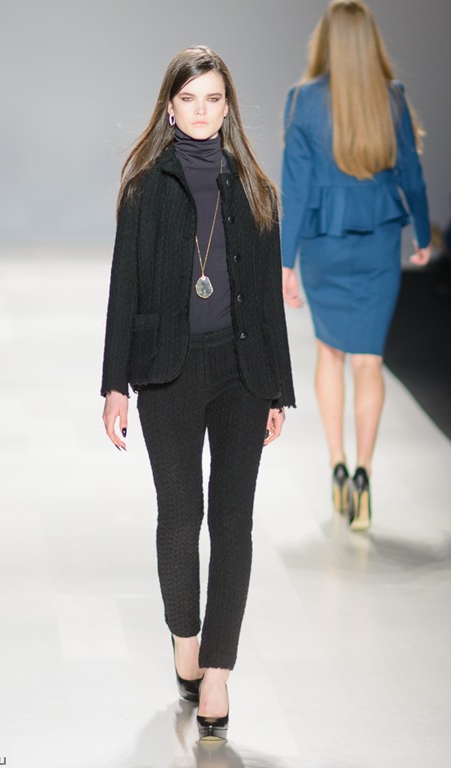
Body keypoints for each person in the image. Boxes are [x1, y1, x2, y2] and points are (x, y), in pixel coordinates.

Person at [101, 46, 295, 740]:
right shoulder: (145, 189)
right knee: (181, 518)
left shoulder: (255, 189)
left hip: (241, 372)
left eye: (214, 98)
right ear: (170, 107)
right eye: (190, 99)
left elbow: (266, 300)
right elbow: (125, 287)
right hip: (169, 370)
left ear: (228, 105)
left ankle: (217, 674)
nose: (203, 111)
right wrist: (114, 385)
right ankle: (186, 635)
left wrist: (277, 388)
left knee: (233, 522)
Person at [281, 0, 431, 530]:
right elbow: (411, 174)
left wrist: (285, 261)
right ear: (370, 41)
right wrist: (423, 233)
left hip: (323, 244)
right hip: (377, 243)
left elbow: (296, 189)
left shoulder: (302, 101)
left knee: (331, 354)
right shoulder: (392, 98)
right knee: (369, 361)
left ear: (325, 40)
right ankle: (365, 475)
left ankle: (337, 465)